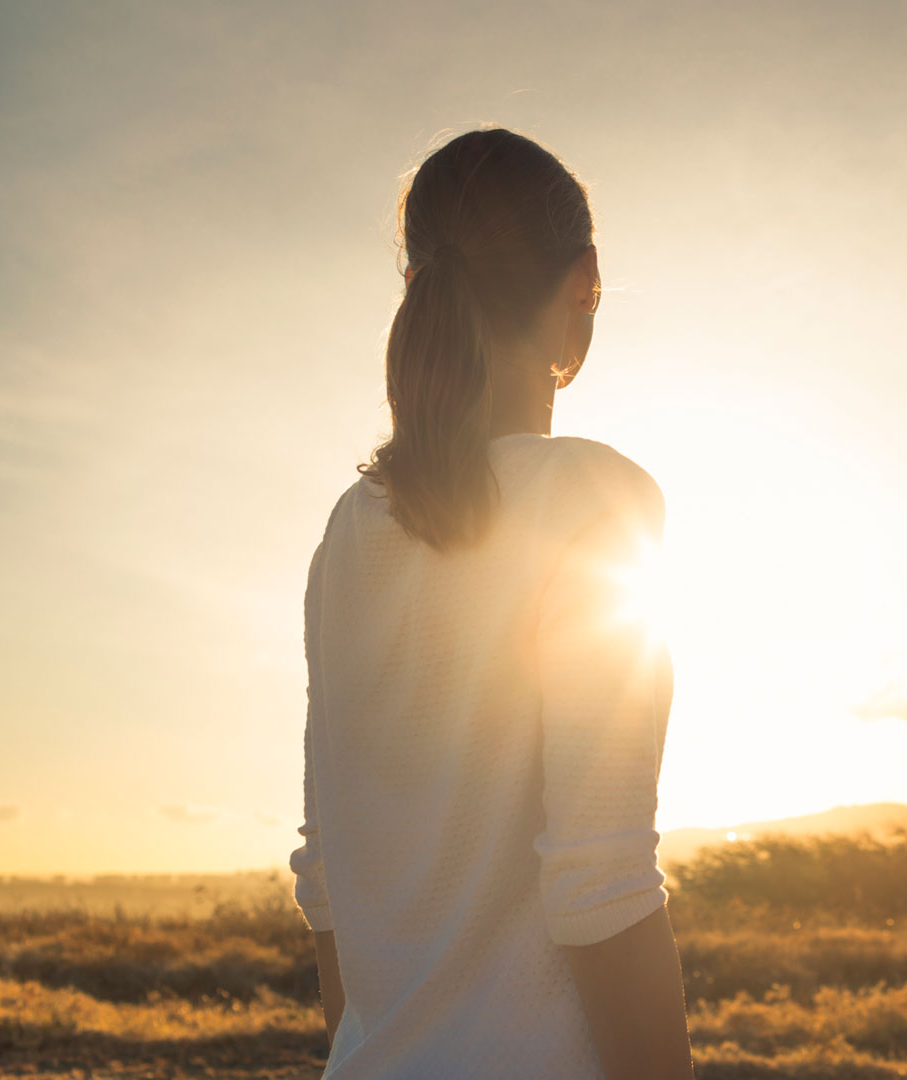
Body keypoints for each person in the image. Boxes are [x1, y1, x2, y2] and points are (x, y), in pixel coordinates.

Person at [288, 126, 694, 1079]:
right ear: (583, 285)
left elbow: (328, 883)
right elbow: (601, 887)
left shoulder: (346, 533)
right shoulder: (594, 499)